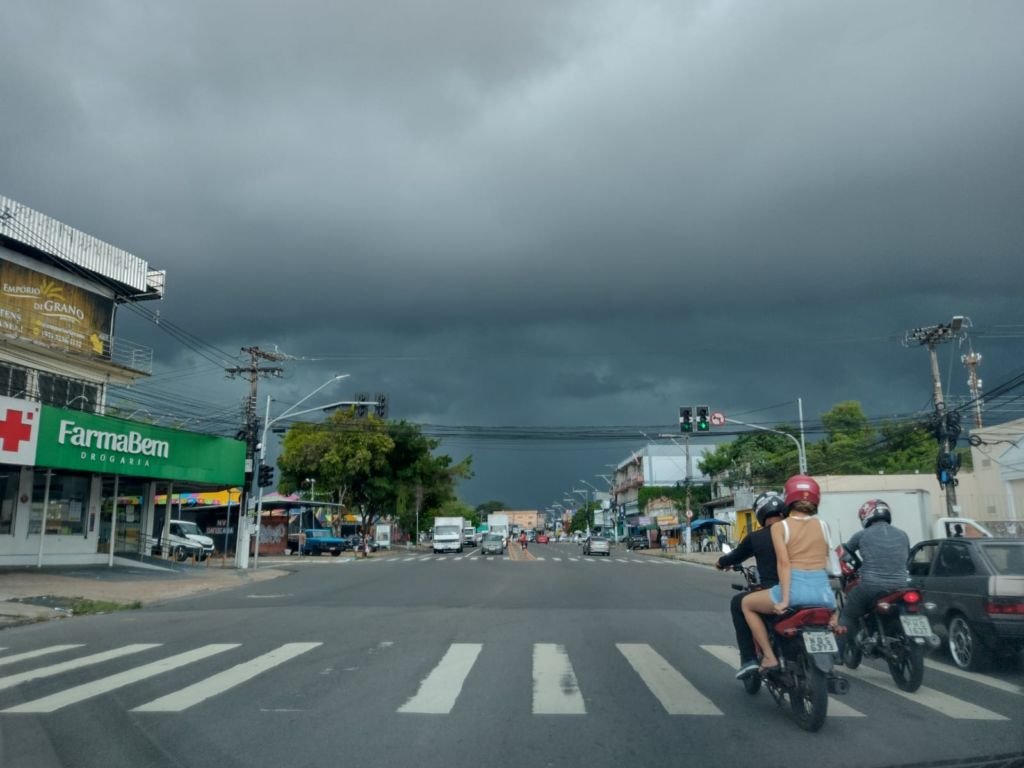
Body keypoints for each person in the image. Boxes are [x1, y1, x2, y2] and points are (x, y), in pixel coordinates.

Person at [741, 475, 837, 673]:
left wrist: (785, 599)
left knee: (746, 604)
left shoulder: (780, 527)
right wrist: (834, 608)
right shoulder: (823, 525)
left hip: (795, 590)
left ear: (788, 498)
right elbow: (832, 564)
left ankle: (768, 656)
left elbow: (784, 564)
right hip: (824, 595)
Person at [717, 491, 786, 679]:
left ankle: (749, 659)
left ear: (761, 515)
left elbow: (734, 556)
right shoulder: (796, 532)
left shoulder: (756, 538)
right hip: (809, 592)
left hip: (775, 592)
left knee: (738, 603)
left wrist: (721, 562)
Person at [837, 499, 911, 651]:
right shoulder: (903, 535)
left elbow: (845, 553)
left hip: (871, 585)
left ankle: (837, 654)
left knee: (848, 615)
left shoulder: (861, 535)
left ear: (866, 515)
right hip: (902, 586)